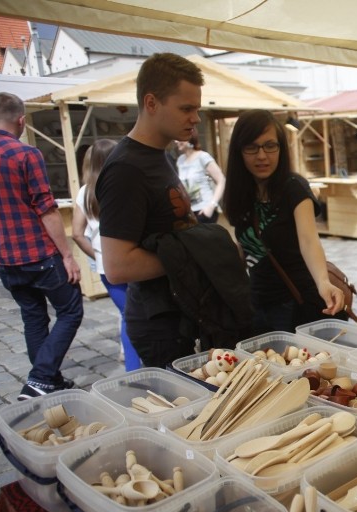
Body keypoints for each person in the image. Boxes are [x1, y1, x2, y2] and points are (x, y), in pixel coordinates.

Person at [98, 53, 249, 368]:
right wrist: (200, 256)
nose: (195, 118)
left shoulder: (160, 155)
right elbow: (118, 266)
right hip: (161, 325)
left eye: (197, 108)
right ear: (151, 103)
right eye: (186, 108)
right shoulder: (125, 168)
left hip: (182, 313)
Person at [0, 92, 84, 400]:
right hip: (40, 255)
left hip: (7, 259)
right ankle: (40, 379)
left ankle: (49, 382)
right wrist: (67, 255)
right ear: (21, 121)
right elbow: (47, 210)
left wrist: (0, 237)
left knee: (33, 317)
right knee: (71, 310)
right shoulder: (25, 154)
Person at [223, 110, 345, 333]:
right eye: (252, 147)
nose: (262, 155)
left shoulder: (293, 187)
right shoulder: (240, 192)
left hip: (295, 302)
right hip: (257, 304)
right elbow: (246, 246)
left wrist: (323, 282)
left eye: (270, 145)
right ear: (239, 151)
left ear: (281, 148)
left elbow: (309, 240)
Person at [72, 140, 141, 372]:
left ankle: (133, 366)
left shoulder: (84, 192)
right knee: (136, 315)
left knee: (127, 315)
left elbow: (77, 234)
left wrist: (99, 256)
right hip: (132, 260)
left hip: (107, 268)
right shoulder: (123, 185)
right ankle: (135, 368)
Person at [175, 132, 226, 223]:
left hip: (204, 211)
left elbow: (221, 180)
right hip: (189, 213)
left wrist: (211, 205)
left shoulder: (203, 156)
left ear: (189, 137)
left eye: (179, 139)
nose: (176, 141)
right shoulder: (180, 160)